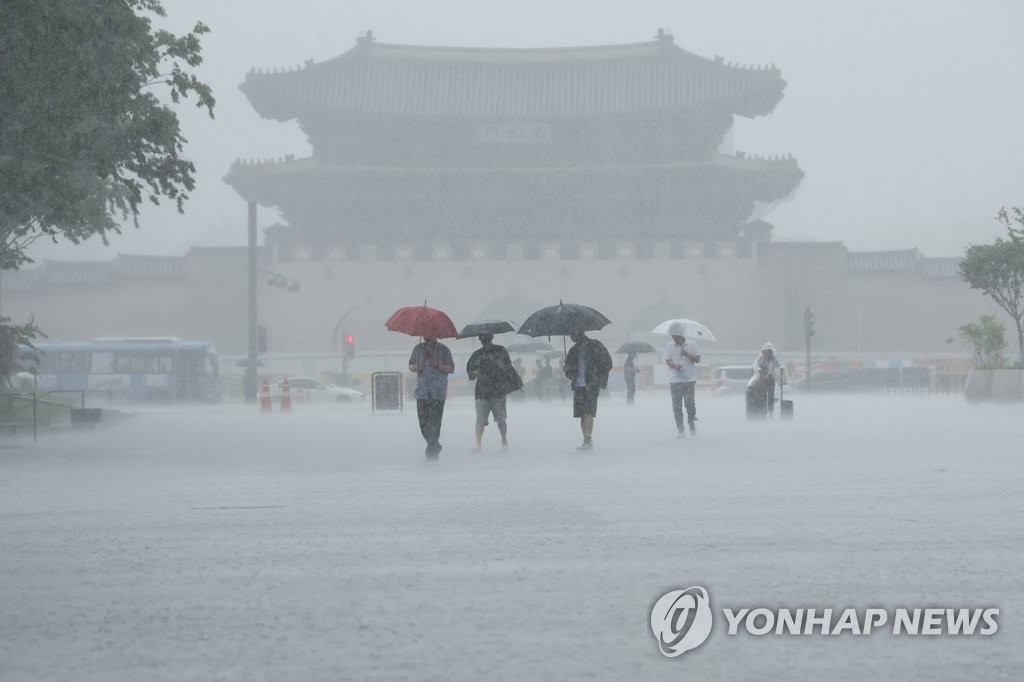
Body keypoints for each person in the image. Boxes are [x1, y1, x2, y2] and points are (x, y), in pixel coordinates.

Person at [466, 333, 520, 452]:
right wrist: (475, 373)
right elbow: (470, 373)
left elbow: (507, 368)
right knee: (481, 419)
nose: (485, 341)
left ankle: (503, 439)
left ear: (491, 339)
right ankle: (478, 444)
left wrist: (497, 363)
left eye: (486, 339)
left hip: (497, 390)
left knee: (500, 419)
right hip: (483, 391)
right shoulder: (477, 355)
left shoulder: (500, 351)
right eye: (483, 339)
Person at [563, 329, 613, 450]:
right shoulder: (573, 351)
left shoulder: (595, 345)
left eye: (573, 334)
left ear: (580, 333)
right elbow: (569, 374)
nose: (571, 336)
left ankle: (588, 438)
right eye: (570, 334)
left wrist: (597, 376)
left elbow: (607, 363)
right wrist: (567, 369)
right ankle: (586, 439)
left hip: (592, 384)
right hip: (578, 385)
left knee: (588, 411)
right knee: (581, 413)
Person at [408, 336, 454, 460]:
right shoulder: (418, 349)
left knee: (435, 422)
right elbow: (411, 365)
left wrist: (439, 365)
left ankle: (432, 447)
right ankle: (433, 444)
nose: (427, 336)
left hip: (438, 393)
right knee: (423, 422)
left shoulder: (444, 350)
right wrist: (415, 367)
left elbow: (451, 368)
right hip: (422, 392)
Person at [663, 322, 701, 437]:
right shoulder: (669, 346)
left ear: (681, 335)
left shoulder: (692, 344)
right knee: (676, 406)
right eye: (672, 337)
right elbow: (667, 360)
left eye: (676, 336)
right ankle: (681, 430)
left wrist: (686, 354)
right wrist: (675, 365)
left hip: (689, 380)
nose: (674, 339)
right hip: (675, 381)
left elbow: (697, 359)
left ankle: (691, 422)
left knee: (690, 404)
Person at [751, 342, 786, 417]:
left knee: (771, 395)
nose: (768, 353)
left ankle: (771, 412)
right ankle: (764, 411)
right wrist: (758, 369)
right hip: (762, 378)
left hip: (770, 378)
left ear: (771, 352)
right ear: (763, 352)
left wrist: (781, 367)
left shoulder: (773, 358)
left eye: (769, 352)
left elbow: (779, 363)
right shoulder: (760, 358)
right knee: (763, 395)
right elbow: (755, 365)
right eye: (766, 352)